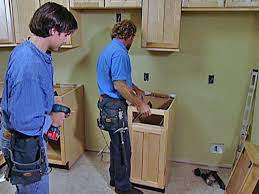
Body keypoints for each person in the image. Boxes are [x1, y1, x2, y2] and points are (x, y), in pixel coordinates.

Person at [0, 2, 77, 194]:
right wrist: (52, 119)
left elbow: (33, 95)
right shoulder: (29, 64)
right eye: (66, 34)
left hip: (28, 139)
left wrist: (51, 102)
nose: (67, 40)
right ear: (53, 30)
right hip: (23, 143)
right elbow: (23, 121)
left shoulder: (36, 52)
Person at [97, 19, 151, 194]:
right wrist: (140, 103)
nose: (132, 42)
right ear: (128, 36)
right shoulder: (120, 53)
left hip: (107, 104)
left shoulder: (110, 49)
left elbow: (122, 79)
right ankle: (123, 188)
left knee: (116, 145)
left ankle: (115, 178)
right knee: (123, 147)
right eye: (133, 38)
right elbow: (119, 86)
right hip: (114, 106)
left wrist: (137, 89)